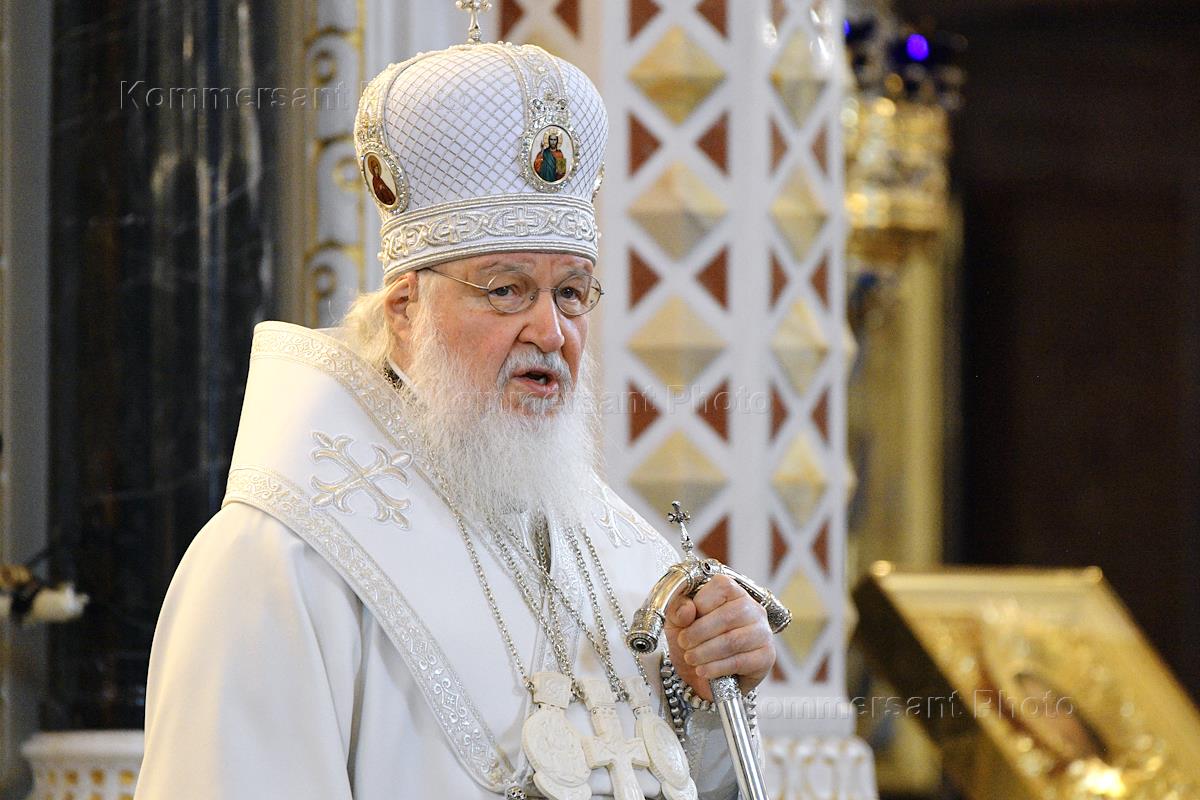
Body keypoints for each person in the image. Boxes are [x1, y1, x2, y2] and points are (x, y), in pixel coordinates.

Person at [136, 21, 776, 800]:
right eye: (506, 290)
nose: (552, 331)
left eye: (572, 293)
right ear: (405, 310)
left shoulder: (613, 551)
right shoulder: (279, 562)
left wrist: (709, 700)